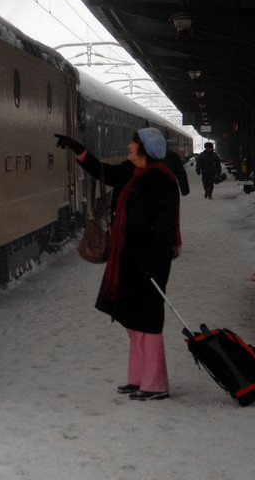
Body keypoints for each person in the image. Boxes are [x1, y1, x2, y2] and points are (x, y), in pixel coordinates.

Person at [55, 128, 181, 401]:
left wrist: (155, 263)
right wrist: (78, 149)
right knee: (132, 321)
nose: (129, 146)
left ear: (145, 149)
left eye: (134, 143)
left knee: (148, 322)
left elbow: (165, 229)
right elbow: (101, 170)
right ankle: (138, 378)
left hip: (148, 261)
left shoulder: (163, 181)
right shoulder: (128, 172)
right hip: (125, 257)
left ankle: (157, 384)